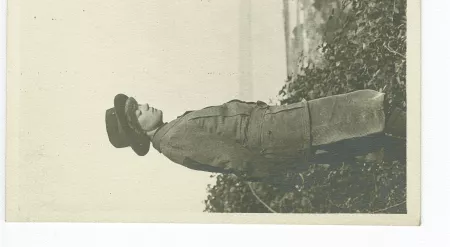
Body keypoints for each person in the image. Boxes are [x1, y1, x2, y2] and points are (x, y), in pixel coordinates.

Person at [105, 90, 406, 187]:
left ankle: (416, 150)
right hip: (284, 134)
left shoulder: (173, 130)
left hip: (282, 129)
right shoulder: (173, 141)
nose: (145, 105)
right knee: (366, 110)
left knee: (363, 140)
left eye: (139, 103)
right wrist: (280, 174)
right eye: (138, 111)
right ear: (138, 130)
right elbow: (235, 158)